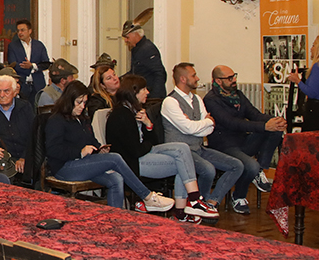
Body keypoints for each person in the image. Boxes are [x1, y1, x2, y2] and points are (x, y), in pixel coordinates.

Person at [45, 81, 173, 212]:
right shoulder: (57, 120)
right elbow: (53, 149)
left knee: (116, 178)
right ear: (69, 100)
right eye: (79, 102)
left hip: (83, 163)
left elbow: (91, 140)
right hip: (64, 167)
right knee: (114, 158)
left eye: (84, 102)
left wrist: (100, 149)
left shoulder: (83, 119)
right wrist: (80, 152)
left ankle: (113, 219)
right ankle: (147, 196)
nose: (82, 106)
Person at [106, 75, 214, 223]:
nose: (147, 92)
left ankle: (190, 203)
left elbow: (153, 141)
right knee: (182, 163)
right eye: (144, 89)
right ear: (134, 92)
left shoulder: (135, 111)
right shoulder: (121, 115)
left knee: (182, 148)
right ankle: (184, 209)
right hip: (131, 163)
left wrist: (148, 124)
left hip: (143, 153)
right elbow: (136, 150)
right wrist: (148, 143)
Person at [162, 63, 243, 216]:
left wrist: (199, 125)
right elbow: (190, 128)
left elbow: (208, 129)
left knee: (236, 165)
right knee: (208, 169)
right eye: (193, 75)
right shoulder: (170, 102)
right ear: (183, 79)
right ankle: (197, 203)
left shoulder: (197, 99)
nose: (197, 78)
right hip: (181, 152)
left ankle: (210, 202)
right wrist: (206, 122)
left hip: (198, 148)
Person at [205, 65, 285, 212]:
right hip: (224, 145)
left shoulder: (238, 95)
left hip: (242, 141)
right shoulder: (211, 100)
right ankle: (239, 196)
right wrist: (264, 126)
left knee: (275, 130)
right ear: (218, 81)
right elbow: (232, 123)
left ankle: (261, 168)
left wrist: (275, 120)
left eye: (234, 76)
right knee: (251, 166)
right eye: (229, 78)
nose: (234, 80)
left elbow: (254, 114)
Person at [7, 19, 51, 104]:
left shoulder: (39, 45)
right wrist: (28, 69)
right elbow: (13, 64)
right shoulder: (13, 46)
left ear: (30, 31)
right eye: (18, 30)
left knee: (37, 110)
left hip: (37, 84)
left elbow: (46, 64)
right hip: (22, 84)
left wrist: (33, 66)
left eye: (22, 30)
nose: (20, 33)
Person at [122, 20, 167, 102]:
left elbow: (160, 73)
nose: (125, 40)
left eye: (127, 37)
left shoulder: (147, 49)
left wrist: (155, 98)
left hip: (151, 96)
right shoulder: (137, 49)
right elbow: (135, 72)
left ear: (136, 34)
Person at [86, 54, 120, 121]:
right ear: (102, 85)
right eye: (109, 78)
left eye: (114, 75)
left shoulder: (124, 95)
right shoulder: (96, 101)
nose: (115, 78)